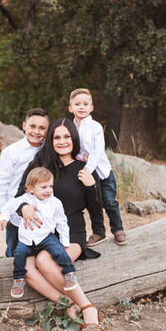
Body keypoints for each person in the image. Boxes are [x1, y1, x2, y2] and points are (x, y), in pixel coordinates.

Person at [13, 118, 103, 328]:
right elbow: (19, 197)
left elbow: (96, 209)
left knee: (45, 260)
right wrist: (24, 207)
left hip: (71, 233)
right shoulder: (41, 167)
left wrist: (92, 187)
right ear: (51, 141)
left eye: (66, 136)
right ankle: (68, 304)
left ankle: (88, 307)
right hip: (39, 234)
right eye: (57, 137)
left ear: (74, 139)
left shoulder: (84, 168)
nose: (62, 141)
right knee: (26, 268)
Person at [0, 167, 77, 298]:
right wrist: (3, 218)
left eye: (51, 186)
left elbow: (62, 222)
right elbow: (9, 206)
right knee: (19, 254)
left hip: (46, 236)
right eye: (44, 187)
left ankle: (69, 273)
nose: (49, 190)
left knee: (58, 250)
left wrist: (65, 241)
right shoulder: (25, 200)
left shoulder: (55, 203)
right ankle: (18, 280)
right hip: (27, 238)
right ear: (31, 188)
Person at [68, 88, 127, 246]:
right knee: (93, 204)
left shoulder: (95, 127)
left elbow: (97, 151)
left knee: (109, 201)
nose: (81, 107)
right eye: (77, 104)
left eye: (85, 104)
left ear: (91, 107)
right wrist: (79, 157)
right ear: (70, 108)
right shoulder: (69, 128)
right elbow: (71, 148)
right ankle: (99, 232)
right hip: (85, 174)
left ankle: (118, 229)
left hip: (102, 172)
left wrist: (87, 167)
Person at [0, 108, 50, 257]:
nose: (36, 131)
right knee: (14, 254)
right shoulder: (11, 152)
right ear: (24, 126)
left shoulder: (50, 152)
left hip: (42, 215)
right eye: (32, 126)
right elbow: (1, 182)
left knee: (39, 254)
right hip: (16, 216)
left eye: (42, 128)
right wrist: (3, 211)